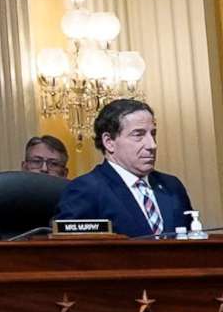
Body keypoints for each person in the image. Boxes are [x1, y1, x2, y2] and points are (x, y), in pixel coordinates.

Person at [56, 98, 195, 237]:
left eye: (153, 134)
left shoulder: (171, 186)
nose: (152, 145)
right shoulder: (86, 189)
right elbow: (70, 251)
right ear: (109, 142)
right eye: (138, 135)